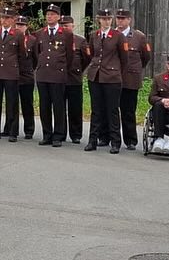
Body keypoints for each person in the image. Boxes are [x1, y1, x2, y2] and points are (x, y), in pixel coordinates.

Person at [86, 9, 126, 154]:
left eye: (109, 19)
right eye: (104, 19)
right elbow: (91, 54)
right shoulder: (94, 35)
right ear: (99, 20)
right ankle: (93, 140)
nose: (106, 21)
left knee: (112, 110)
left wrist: (116, 72)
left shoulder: (118, 36)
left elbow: (124, 58)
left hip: (112, 78)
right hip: (95, 76)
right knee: (96, 110)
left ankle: (115, 142)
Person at [34, 4, 74, 147]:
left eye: (52, 14)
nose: (49, 17)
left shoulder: (66, 34)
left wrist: (61, 68)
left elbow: (69, 55)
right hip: (43, 74)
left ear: (58, 17)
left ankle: (58, 135)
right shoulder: (40, 33)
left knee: (58, 106)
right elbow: (37, 53)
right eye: (48, 14)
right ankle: (47, 134)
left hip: (58, 75)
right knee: (44, 106)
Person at [115, 9, 152, 151]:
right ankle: (108, 137)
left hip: (130, 79)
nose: (120, 21)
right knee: (110, 110)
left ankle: (130, 140)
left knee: (128, 111)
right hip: (113, 78)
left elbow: (146, 57)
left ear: (129, 20)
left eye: (123, 18)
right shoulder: (112, 35)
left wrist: (136, 69)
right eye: (118, 18)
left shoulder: (139, 37)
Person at [0, 8, 25, 141]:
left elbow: (21, 54)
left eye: (7, 18)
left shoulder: (18, 34)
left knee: (12, 103)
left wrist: (15, 67)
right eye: (3, 17)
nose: (4, 20)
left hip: (11, 72)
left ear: (13, 20)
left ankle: (12, 132)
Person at [62, 15, 90, 144]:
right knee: (60, 108)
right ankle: (61, 133)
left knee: (75, 108)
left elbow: (87, 58)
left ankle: (76, 134)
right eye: (62, 26)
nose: (65, 28)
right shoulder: (56, 39)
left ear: (72, 26)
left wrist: (79, 70)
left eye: (67, 26)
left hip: (74, 78)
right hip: (60, 78)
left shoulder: (80, 40)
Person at [15, 16, 37, 139]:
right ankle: (11, 128)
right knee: (12, 104)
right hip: (13, 74)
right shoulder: (11, 37)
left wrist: (30, 69)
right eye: (17, 25)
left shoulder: (32, 40)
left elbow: (36, 59)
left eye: (22, 25)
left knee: (27, 104)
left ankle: (29, 130)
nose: (19, 27)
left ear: (26, 27)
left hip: (27, 76)